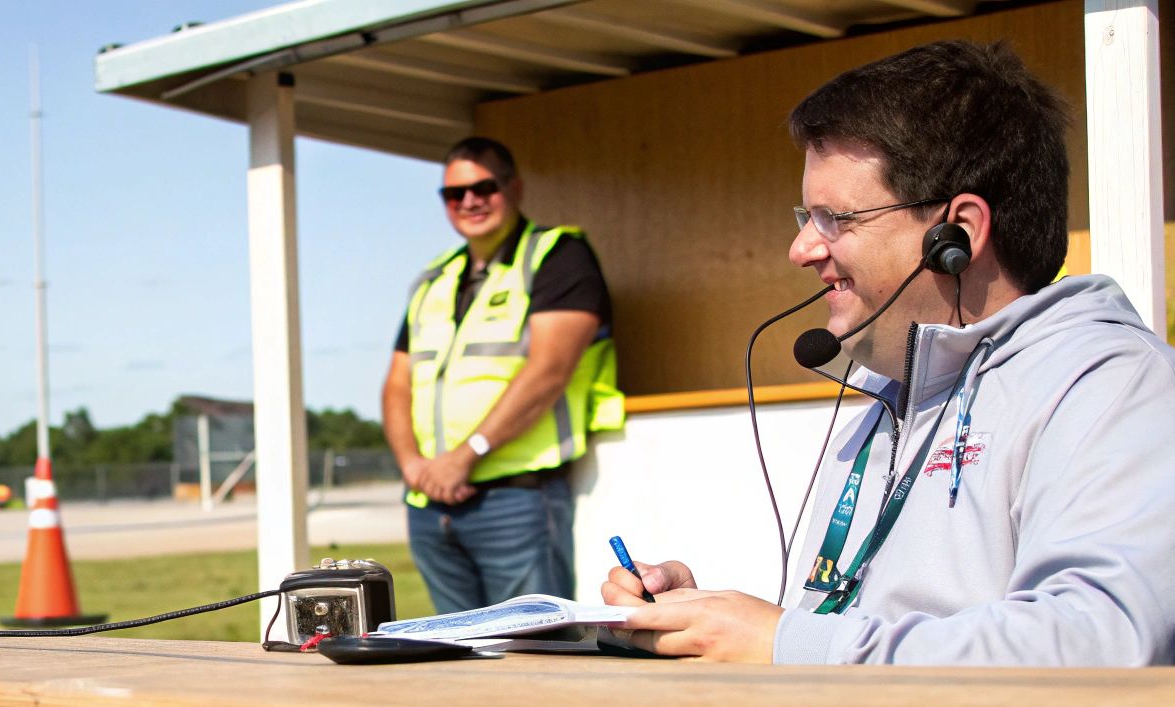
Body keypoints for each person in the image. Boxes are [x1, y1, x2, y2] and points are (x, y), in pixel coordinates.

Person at [602, 40, 1175, 666]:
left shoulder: (1109, 385)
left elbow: (1101, 641)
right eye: (806, 215)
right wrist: (703, 620)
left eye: (833, 218)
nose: (801, 250)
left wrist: (784, 642)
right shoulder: (888, 396)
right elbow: (854, 637)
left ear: (957, 234)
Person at [381, 136, 624, 614]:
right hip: (430, 506)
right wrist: (413, 467)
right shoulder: (433, 278)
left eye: (484, 187)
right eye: (455, 194)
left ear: (514, 188)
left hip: (518, 502)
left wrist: (465, 457)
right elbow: (397, 384)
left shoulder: (557, 254)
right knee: (454, 660)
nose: (470, 201)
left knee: (531, 660)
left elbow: (549, 371)